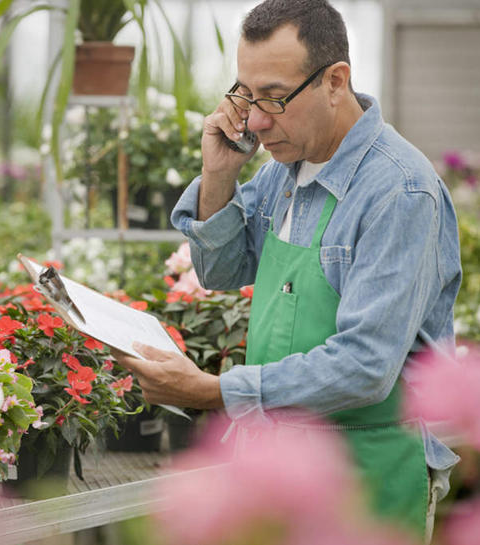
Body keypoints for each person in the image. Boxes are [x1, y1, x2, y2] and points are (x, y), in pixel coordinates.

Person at [113, 0, 462, 541]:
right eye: (246, 96)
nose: (254, 121)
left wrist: (215, 391)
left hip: (366, 473)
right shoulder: (285, 169)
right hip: (281, 466)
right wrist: (219, 175)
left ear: (335, 81)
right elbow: (221, 270)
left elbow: (366, 366)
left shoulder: (398, 191)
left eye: (274, 98)